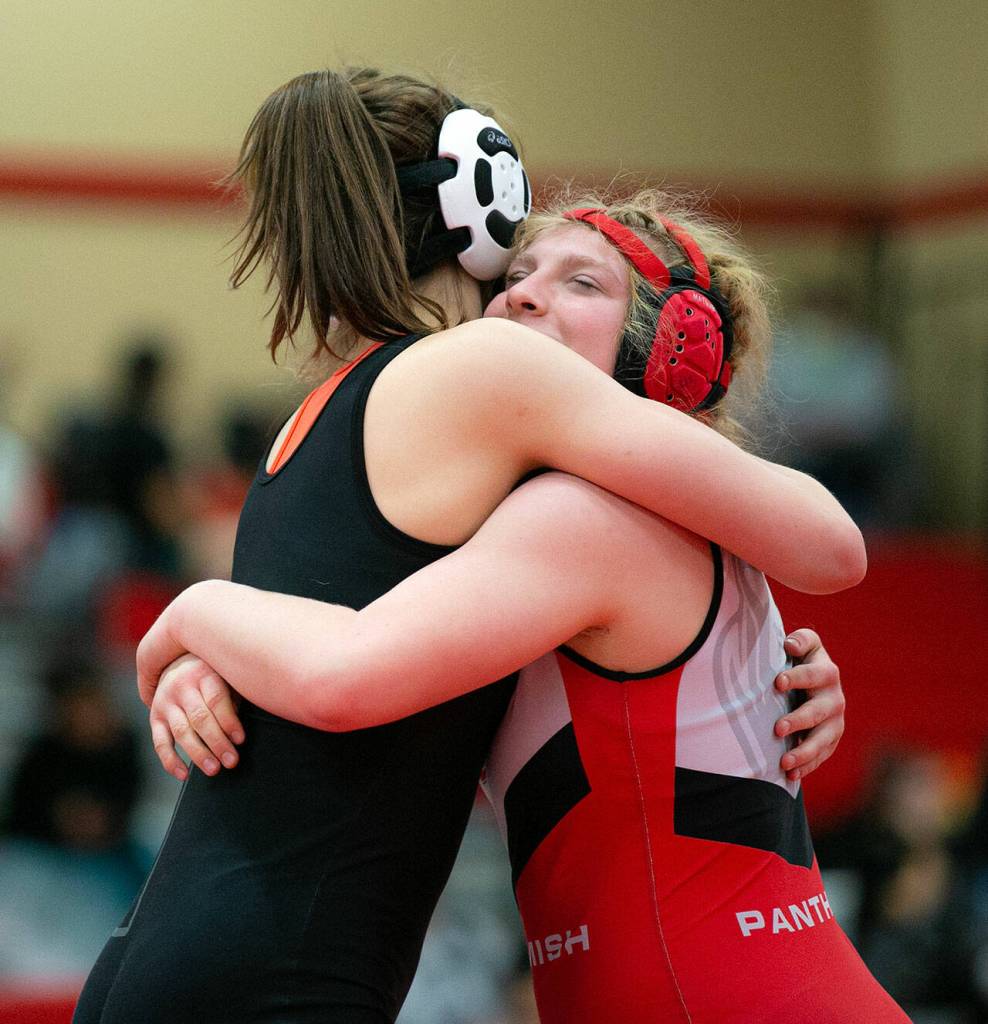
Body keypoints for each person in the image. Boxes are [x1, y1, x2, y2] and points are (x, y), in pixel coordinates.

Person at [75, 68, 861, 1024]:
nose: (525, 301)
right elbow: (346, 670)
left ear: (673, 347)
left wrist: (761, 671)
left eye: (578, 280)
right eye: (522, 269)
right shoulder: (505, 438)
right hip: (287, 973)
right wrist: (197, 623)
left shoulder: (331, 426)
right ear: (478, 215)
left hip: (185, 953)